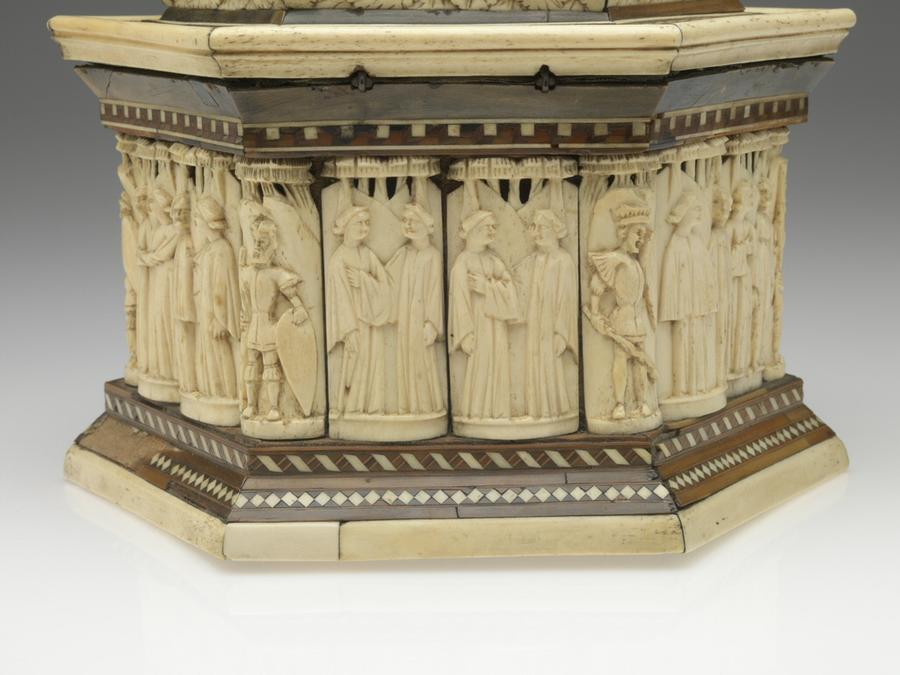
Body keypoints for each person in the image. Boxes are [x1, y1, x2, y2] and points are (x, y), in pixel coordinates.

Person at [585, 202, 657, 421]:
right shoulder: (615, 259)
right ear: (624, 233)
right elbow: (597, 285)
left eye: (642, 235)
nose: (640, 239)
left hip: (637, 319)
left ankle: (642, 403)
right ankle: (619, 404)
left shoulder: (635, 263)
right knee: (621, 359)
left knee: (639, 363)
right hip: (622, 318)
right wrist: (595, 313)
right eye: (637, 233)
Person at [448, 210, 520, 420]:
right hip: (477, 325)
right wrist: (465, 334)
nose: (492, 230)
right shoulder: (462, 262)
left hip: (496, 324)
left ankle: (499, 412)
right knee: (480, 367)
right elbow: (459, 301)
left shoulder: (493, 261)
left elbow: (510, 291)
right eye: (487, 227)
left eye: (493, 227)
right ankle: (477, 412)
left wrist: (487, 287)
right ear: (473, 230)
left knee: (498, 366)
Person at [241, 209, 307, 421]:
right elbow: (244, 300)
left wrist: (299, 309)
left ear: (272, 245)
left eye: (262, 242)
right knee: (251, 366)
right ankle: (251, 405)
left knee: (270, 367)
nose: (257, 246)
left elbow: (293, 297)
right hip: (253, 324)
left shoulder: (277, 274)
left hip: (269, 326)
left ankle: (274, 407)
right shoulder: (247, 273)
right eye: (255, 241)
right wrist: (244, 317)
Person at [327, 206, 392, 415]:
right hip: (355, 325)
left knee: (374, 364)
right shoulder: (338, 259)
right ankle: (352, 407)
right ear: (346, 227)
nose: (364, 228)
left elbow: (385, 285)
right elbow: (340, 299)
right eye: (359, 223)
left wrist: (364, 281)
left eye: (367, 223)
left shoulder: (367, 254)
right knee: (354, 367)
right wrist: (349, 331)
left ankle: (373, 407)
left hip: (372, 322)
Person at [514, 209, 578, 420]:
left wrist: (562, 333)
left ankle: (553, 410)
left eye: (542, 228)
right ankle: (536, 410)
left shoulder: (563, 261)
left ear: (555, 230)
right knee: (534, 360)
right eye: (535, 227)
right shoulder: (534, 259)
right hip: (535, 320)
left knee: (550, 364)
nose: (537, 233)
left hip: (552, 323)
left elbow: (566, 300)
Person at [386, 203, 445, 416]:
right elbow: (386, 282)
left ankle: (426, 406)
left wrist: (432, 324)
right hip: (405, 317)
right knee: (405, 358)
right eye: (405, 221)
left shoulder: (433, 255)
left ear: (426, 225)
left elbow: (435, 291)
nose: (408, 225)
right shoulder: (404, 253)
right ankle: (408, 406)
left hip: (422, 319)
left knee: (423, 360)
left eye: (413, 221)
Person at [659, 187, 717, 397]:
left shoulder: (696, 241)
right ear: (684, 214)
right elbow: (670, 281)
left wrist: (706, 302)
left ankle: (698, 385)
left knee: (698, 344)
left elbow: (707, 274)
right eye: (695, 209)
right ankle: (682, 388)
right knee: (683, 343)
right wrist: (677, 308)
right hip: (682, 308)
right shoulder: (675, 244)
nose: (699, 213)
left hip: (697, 307)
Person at [194, 195, 240, 402]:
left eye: (198, 218)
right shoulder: (210, 248)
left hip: (215, 313)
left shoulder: (222, 249)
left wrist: (221, 319)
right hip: (206, 309)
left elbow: (223, 287)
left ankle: (226, 394)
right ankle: (213, 392)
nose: (195, 222)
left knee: (219, 351)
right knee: (209, 351)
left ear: (208, 222)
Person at [708, 184, 734, 388]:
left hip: (725, 288)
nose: (725, 212)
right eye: (721, 207)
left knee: (724, 328)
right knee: (716, 330)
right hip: (714, 290)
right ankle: (715, 376)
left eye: (728, 208)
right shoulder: (713, 236)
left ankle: (719, 375)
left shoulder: (723, 234)